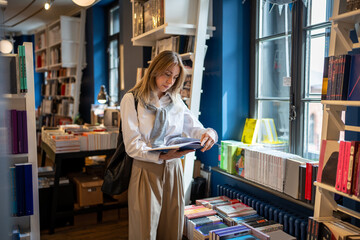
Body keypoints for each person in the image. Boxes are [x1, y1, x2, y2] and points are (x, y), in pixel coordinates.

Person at [120, 50, 217, 240]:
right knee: (144, 231)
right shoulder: (132, 100)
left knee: (172, 228)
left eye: (175, 77)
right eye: (167, 74)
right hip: (145, 171)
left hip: (174, 170)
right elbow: (132, 145)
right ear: (155, 70)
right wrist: (160, 155)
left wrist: (210, 133)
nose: (170, 81)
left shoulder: (176, 101)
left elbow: (196, 128)